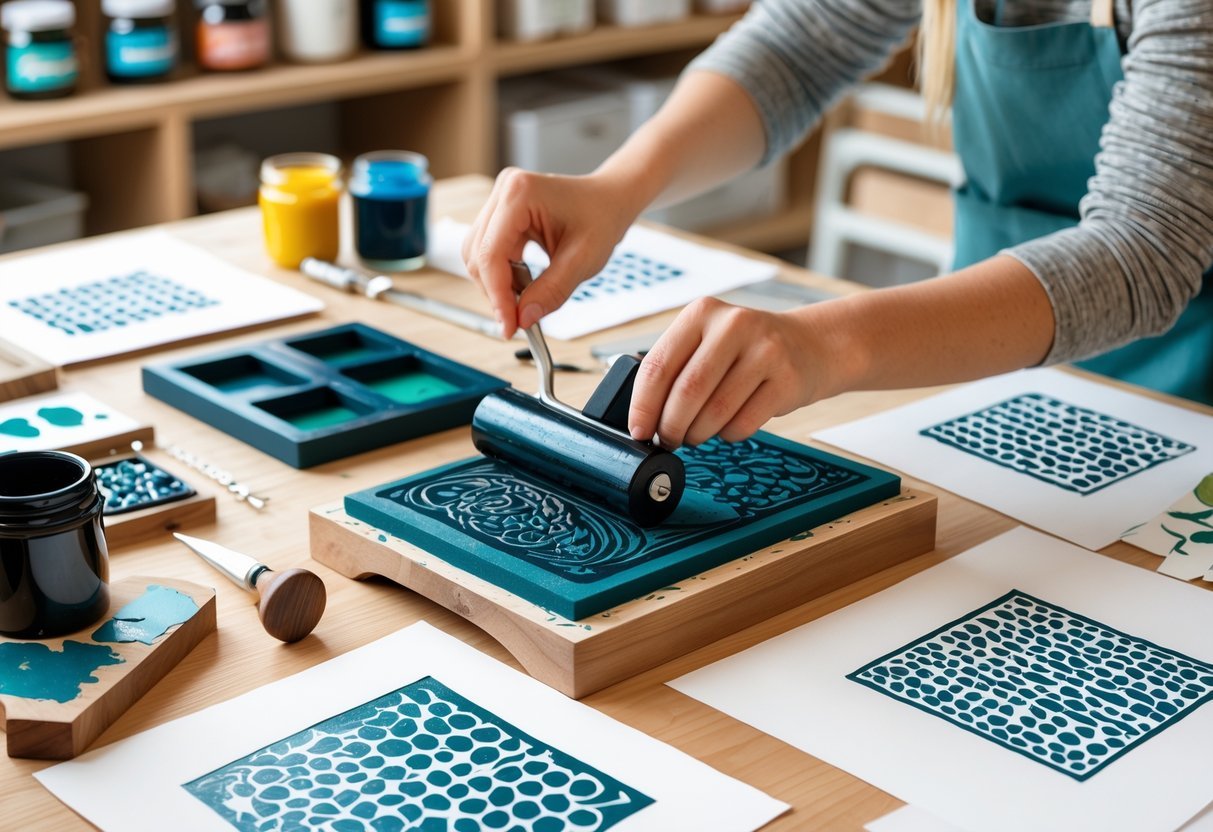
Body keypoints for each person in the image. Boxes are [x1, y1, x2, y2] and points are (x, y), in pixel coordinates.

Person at [463, 0, 1213, 450]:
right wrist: (616, 187)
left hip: (1191, 399)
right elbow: (797, 46)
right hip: (993, 375)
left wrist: (827, 344)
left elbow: (1141, 251)